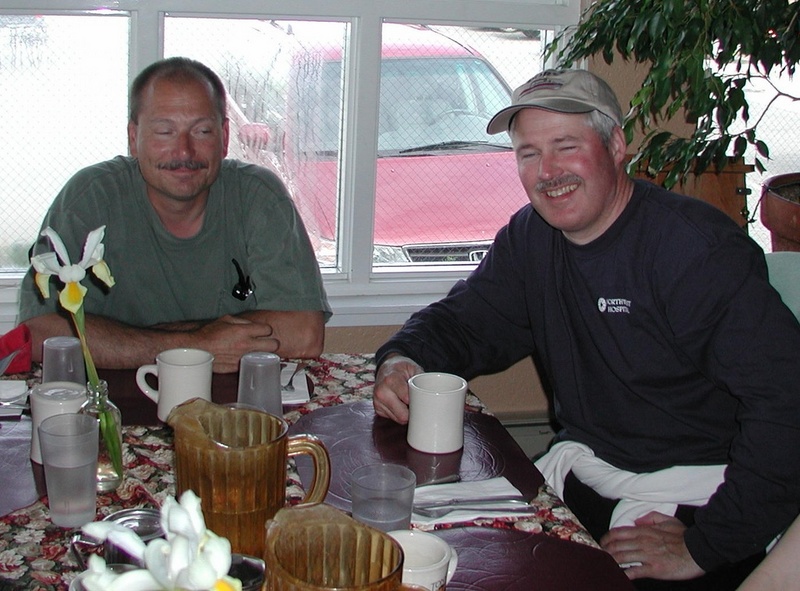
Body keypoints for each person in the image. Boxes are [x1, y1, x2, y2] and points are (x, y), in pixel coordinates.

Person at [372, 69, 800, 588]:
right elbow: (465, 323)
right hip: (590, 477)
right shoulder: (531, 238)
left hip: (700, 500)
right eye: (528, 153)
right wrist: (402, 359)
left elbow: (787, 405)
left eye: (565, 146)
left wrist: (706, 546)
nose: (547, 171)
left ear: (616, 144)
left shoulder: (694, 252)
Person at [18, 57, 331, 373]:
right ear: (133, 138)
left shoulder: (257, 194)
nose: (184, 151)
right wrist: (198, 345)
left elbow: (304, 333)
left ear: (224, 137)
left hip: (236, 406)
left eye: (202, 131)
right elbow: (41, 331)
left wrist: (132, 340)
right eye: (165, 131)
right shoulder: (91, 196)